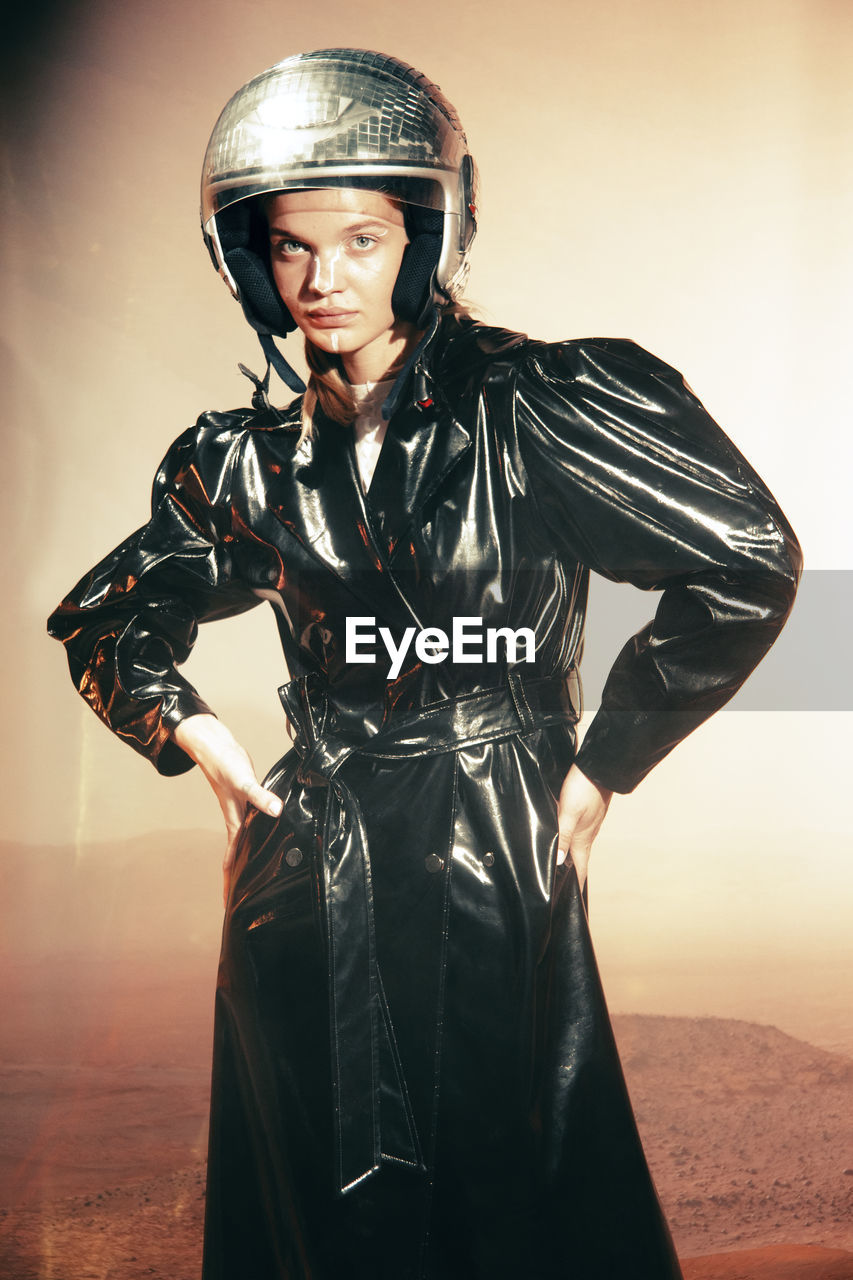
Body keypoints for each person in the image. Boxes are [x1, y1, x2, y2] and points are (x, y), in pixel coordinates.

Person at [47, 48, 801, 1280]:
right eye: (289, 244)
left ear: (425, 235)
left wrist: (604, 762)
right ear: (251, 257)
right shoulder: (236, 462)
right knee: (317, 1217)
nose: (322, 276)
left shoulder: (539, 404)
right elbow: (108, 618)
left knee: (512, 1200)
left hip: (493, 841)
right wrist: (215, 758)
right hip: (305, 871)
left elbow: (748, 562)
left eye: (359, 238)